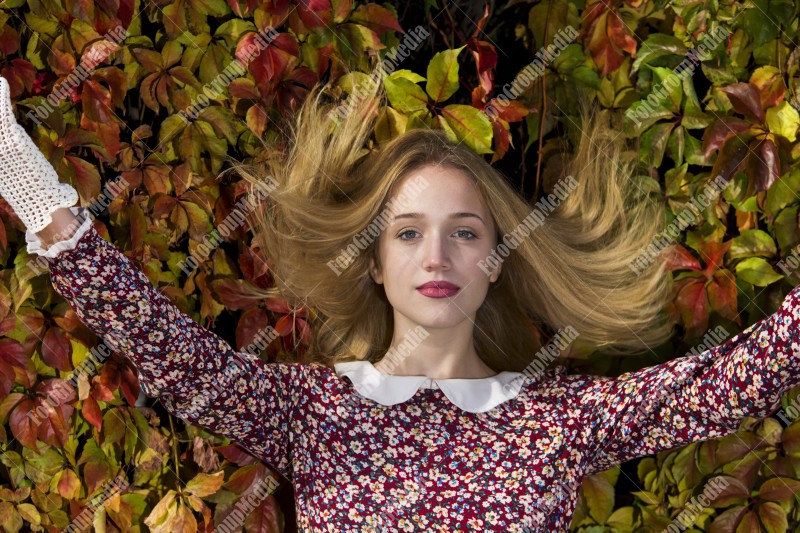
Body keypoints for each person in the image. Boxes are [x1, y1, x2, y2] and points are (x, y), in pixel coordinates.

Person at [0, 71, 798, 533]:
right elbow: (167, 347)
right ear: (375, 262)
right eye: (408, 234)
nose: (438, 257)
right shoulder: (307, 409)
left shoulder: (557, 420)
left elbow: (735, 379)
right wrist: (29, 186)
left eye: (464, 234)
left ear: (496, 260)